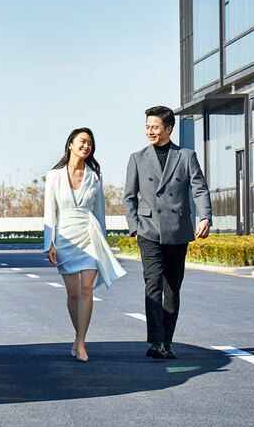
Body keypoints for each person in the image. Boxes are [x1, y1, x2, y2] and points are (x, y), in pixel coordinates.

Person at [123, 106, 212, 360]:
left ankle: (167, 341)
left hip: (177, 231)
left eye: (155, 127)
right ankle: (156, 341)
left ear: (169, 129)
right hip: (148, 230)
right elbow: (129, 196)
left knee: (172, 287)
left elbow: (199, 189)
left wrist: (205, 216)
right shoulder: (137, 158)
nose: (150, 131)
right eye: (147, 127)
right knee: (153, 284)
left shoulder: (186, 156)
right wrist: (134, 226)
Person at [43, 127, 126, 363]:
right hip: (65, 238)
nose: (86, 146)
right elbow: (50, 212)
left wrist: (103, 243)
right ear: (70, 144)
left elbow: (100, 212)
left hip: (89, 235)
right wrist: (49, 243)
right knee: (73, 294)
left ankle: (80, 342)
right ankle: (77, 336)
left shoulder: (94, 176)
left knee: (87, 289)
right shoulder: (54, 176)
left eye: (90, 143)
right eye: (82, 141)